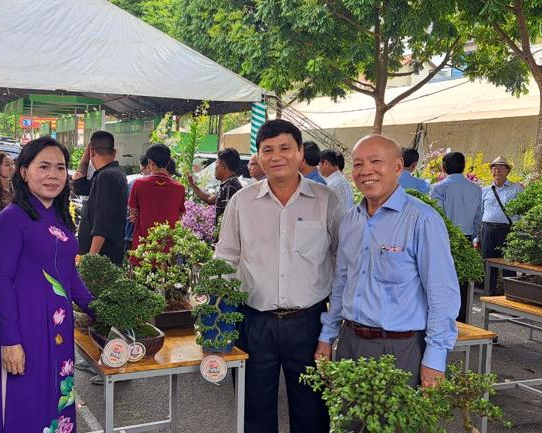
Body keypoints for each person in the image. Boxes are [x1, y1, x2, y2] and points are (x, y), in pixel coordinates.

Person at [215, 119, 339, 433]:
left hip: (308, 324)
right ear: (257, 157)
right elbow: (225, 260)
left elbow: (343, 265)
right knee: (253, 410)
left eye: (285, 148)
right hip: (254, 323)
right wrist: (217, 318)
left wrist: (333, 328)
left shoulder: (326, 202)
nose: (276, 156)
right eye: (267, 150)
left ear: (300, 153)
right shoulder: (242, 203)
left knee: (312, 411)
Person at [318, 135, 459, 393]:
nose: (365, 171)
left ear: (397, 167)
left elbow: (442, 292)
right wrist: (327, 335)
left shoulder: (423, 220)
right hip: (350, 342)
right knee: (347, 423)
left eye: (375, 161)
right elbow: (341, 282)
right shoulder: (351, 220)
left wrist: (435, 359)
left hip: (400, 348)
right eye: (358, 164)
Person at [0, 137, 95, 433]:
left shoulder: (58, 217)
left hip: (58, 329)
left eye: (60, 168)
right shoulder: (12, 218)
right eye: (43, 166)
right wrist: (9, 341)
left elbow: (68, 276)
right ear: (24, 172)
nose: (53, 175)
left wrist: (99, 309)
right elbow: (2, 280)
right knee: (24, 410)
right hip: (24, 331)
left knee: (56, 402)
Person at [72, 131, 127, 266]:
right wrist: (86, 159)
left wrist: (91, 259)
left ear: (91, 152)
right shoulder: (114, 174)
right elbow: (79, 187)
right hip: (108, 255)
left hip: (102, 258)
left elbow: (102, 220)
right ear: (114, 153)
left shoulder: (106, 177)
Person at [128, 144, 186, 250]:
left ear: (150, 162)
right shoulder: (179, 188)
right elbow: (180, 215)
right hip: (168, 246)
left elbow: (133, 214)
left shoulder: (139, 184)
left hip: (143, 245)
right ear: (168, 162)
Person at [480, 156, 524, 295]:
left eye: (500, 167)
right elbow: (480, 211)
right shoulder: (485, 190)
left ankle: (510, 296)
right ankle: (488, 296)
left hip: (507, 230)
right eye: (494, 167)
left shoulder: (517, 189)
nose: (496, 170)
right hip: (488, 229)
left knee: (508, 264)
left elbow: (522, 212)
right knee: (488, 264)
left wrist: (519, 232)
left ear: (507, 171)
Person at [430, 152, 482, 241]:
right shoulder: (476, 188)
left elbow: (437, 215)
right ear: (464, 167)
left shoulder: (438, 188)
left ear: (443, 167)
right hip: (467, 235)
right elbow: (479, 215)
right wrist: (473, 233)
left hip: (445, 235)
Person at [188, 147, 244, 222]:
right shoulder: (228, 184)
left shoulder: (230, 187)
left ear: (223, 165)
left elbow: (228, 220)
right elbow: (209, 199)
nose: (214, 168)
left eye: (216, 164)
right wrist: (192, 184)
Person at [125, 156, 151, 250]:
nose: (142, 173)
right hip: (151, 235)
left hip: (132, 234)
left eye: (142, 170)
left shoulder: (134, 183)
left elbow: (129, 209)